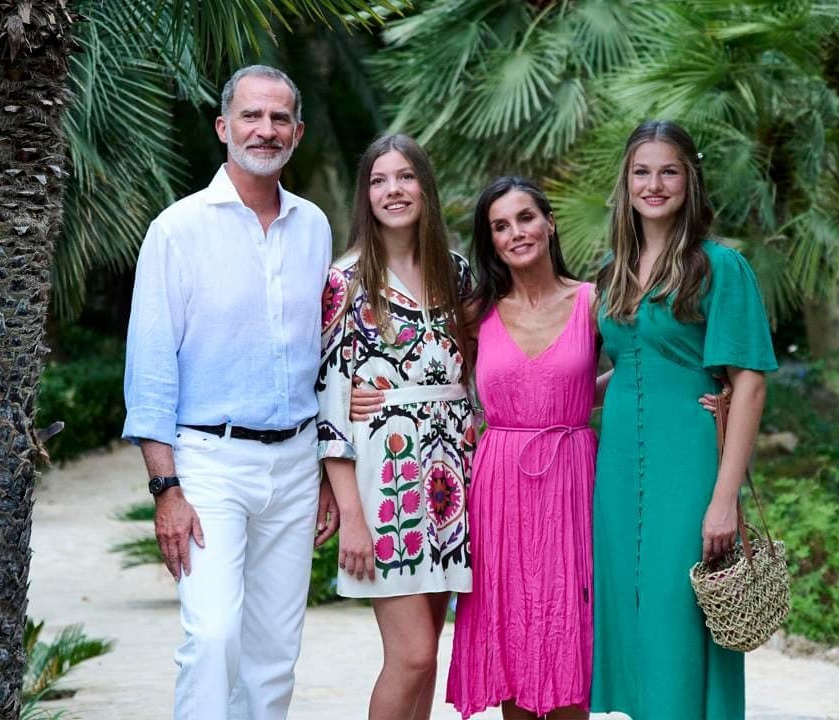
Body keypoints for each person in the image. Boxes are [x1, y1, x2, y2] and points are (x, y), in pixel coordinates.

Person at [122, 65, 338, 720]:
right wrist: (167, 491)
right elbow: (152, 368)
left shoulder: (315, 228)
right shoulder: (177, 230)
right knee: (212, 637)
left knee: (274, 651)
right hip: (209, 463)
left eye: (279, 118)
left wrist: (329, 473)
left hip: (296, 466)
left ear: (297, 132)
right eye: (251, 116)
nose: (265, 130)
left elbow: (323, 359)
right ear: (224, 127)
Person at [589, 119, 777, 720]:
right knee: (633, 612)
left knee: (679, 613)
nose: (654, 183)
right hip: (618, 469)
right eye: (641, 171)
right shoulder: (613, 270)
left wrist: (724, 498)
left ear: (689, 179)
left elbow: (748, 382)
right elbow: (622, 369)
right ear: (626, 181)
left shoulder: (719, 266)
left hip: (688, 462)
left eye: (668, 170)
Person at [316, 134, 474, 720]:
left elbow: (488, 363)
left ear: (425, 188)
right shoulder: (344, 281)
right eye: (379, 180)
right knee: (409, 654)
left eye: (405, 177)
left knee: (429, 657)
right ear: (366, 196)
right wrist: (352, 515)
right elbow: (331, 408)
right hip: (389, 482)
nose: (393, 190)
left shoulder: (457, 274)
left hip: (452, 482)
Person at [444, 177, 599, 719]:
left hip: (574, 481)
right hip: (500, 486)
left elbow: (632, 372)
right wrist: (367, 398)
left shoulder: (592, 301)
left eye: (526, 218)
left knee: (569, 633)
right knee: (510, 635)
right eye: (501, 226)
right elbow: (435, 384)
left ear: (549, 222)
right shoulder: (475, 313)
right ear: (491, 241)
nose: (517, 233)